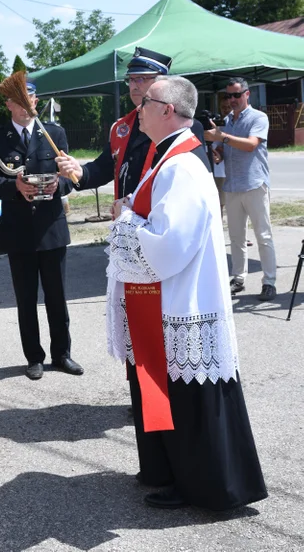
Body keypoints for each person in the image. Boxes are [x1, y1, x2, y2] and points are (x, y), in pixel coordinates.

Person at [106, 76, 267, 512]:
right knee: (178, 393)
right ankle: (173, 472)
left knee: (190, 397)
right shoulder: (169, 157)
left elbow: (169, 242)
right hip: (170, 297)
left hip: (183, 301)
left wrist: (125, 222)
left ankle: (203, 486)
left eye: (147, 101)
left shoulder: (180, 164)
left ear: (167, 110)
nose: (137, 107)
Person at [0, 81, 83, 381]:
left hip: (51, 228)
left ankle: (62, 354)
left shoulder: (54, 133)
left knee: (57, 296)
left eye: (31, 98)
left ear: (37, 100)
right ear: (9, 105)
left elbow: (71, 175)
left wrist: (57, 185)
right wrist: (15, 186)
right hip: (19, 231)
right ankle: (34, 357)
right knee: (25, 299)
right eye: (19, 100)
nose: (27, 105)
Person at [56, 47, 207, 197]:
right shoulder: (122, 126)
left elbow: (196, 183)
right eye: (131, 80)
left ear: (162, 82)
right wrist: (81, 172)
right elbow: (105, 168)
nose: (134, 86)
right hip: (127, 218)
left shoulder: (183, 125)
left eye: (141, 78)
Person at [204, 77, 277, 301]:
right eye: (229, 96)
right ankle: (238, 278)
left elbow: (251, 144)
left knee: (263, 235)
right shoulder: (228, 120)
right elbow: (224, 150)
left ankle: (269, 282)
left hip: (254, 184)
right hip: (233, 185)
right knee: (236, 237)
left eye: (237, 94)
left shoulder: (259, 117)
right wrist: (217, 152)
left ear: (247, 94)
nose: (232, 100)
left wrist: (222, 138)